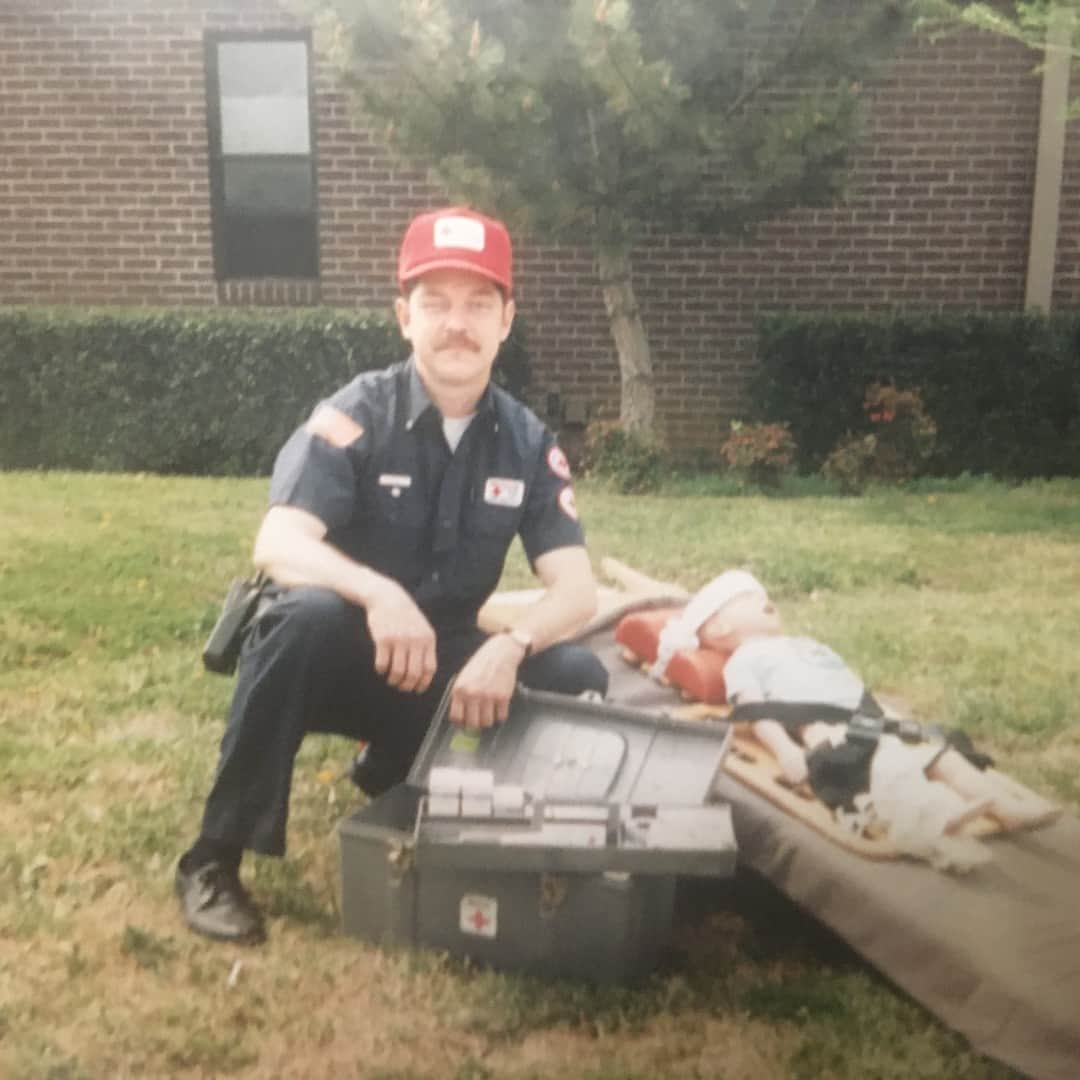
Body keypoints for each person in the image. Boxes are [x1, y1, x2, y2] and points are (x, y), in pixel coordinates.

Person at [176, 207, 609, 943]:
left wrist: (509, 648)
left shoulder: (529, 443)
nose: (457, 324)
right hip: (344, 654)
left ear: (507, 320)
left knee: (570, 669)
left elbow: (576, 589)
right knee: (297, 617)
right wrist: (378, 593)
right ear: (404, 316)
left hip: (443, 669)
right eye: (436, 303)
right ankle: (213, 859)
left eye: (478, 304)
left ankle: (402, 766)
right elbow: (278, 540)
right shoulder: (355, 413)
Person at [651, 570, 1059, 867]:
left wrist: (884, 715)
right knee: (888, 767)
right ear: (720, 626)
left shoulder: (804, 644)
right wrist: (786, 750)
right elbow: (755, 710)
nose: (764, 598)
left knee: (941, 755)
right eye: (748, 598)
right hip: (825, 728)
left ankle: (1000, 803)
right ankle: (932, 819)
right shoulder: (743, 661)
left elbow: (846, 680)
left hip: (867, 717)